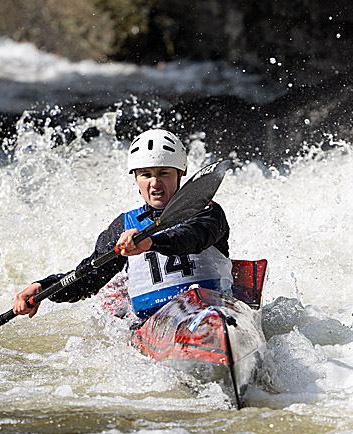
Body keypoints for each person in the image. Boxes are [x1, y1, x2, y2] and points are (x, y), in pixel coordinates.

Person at [12, 128, 233, 320]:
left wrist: (150, 242)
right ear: (136, 179)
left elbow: (191, 237)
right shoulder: (124, 225)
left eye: (163, 173)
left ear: (180, 173)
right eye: (146, 174)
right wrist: (44, 287)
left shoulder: (207, 210)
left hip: (211, 311)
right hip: (153, 322)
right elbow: (90, 277)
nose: (155, 183)